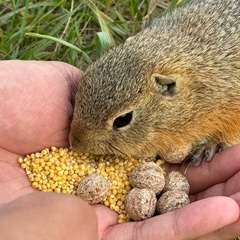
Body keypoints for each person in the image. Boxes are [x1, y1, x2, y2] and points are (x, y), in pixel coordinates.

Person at [0, 60, 240, 240]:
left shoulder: (215, 84)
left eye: (123, 119)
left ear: (167, 87)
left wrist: (222, 139)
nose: (77, 145)